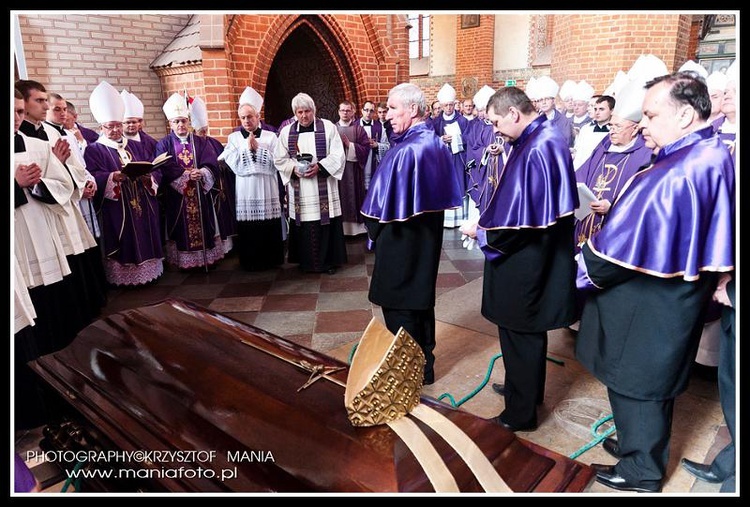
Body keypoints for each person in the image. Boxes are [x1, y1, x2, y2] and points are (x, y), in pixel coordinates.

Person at [577, 71, 734, 493]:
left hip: (650, 304)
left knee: (638, 385)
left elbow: (615, 254)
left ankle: (641, 470)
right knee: (649, 384)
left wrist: (577, 268)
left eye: (650, 114)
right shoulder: (710, 152)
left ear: (684, 114)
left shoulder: (678, 170)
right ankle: (636, 445)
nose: (642, 123)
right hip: (674, 298)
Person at [461, 86, 578, 432]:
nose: (494, 129)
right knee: (524, 335)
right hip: (535, 257)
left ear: (514, 113)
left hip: (527, 261)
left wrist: (482, 232)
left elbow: (522, 222)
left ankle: (519, 412)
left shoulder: (538, 146)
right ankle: (524, 389)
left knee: (520, 333)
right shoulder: (539, 138)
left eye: (496, 121)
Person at [361, 82, 462, 385]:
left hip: (401, 245)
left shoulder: (405, 152)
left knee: (400, 307)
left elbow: (377, 213)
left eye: (392, 108)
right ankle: (425, 368)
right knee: (420, 302)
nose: (387, 115)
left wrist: (374, 231)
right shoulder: (435, 144)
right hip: (427, 243)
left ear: (413, 109)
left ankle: (406, 374)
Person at [14, 87, 75, 429]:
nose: (16, 119)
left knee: (50, 313)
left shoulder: (40, 147)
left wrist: (36, 186)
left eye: (20, 112)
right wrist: (14, 184)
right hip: (16, 250)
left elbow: (62, 187)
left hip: (40, 238)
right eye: (13, 111)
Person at [84, 80, 165, 286]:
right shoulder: (95, 149)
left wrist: (150, 177)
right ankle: (124, 277)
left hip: (142, 201)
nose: (115, 130)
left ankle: (149, 273)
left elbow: (148, 165)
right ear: (101, 127)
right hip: (117, 206)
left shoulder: (133, 145)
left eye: (118, 125)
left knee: (146, 233)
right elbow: (92, 174)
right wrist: (112, 177)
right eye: (110, 127)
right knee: (124, 240)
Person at [274, 92, 347, 274]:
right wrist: (293, 169)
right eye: (300, 112)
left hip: (323, 186)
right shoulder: (286, 131)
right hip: (300, 188)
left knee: (325, 222)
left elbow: (338, 154)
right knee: (304, 224)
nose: (304, 116)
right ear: (295, 113)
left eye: (307, 111)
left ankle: (328, 262)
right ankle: (305, 263)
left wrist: (320, 167)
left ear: (313, 110)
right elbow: (279, 158)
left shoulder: (328, 127)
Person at [155, 92, 224, 270]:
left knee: (203, 223)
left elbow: (211, 162)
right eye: (176, 121)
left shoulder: (199, 142)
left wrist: (201, 172)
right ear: (170, 123)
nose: (180, 125)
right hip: (178, 197)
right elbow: (163, 165)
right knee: (180, 227)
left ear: (189, 121)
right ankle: (184, 261)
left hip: (200, 194)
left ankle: (204, 259)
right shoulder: (164, 144)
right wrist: (185, 176)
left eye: (183, 121)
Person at [219, 89, 284, 271]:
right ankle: (250, 261)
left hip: (267, 186)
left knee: (268, 223)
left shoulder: (271, 137)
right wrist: (246, 150)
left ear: (258, 116)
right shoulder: (233, 138)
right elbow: (228, 161)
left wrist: (260, 151)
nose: (247, 121)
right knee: (249, 227)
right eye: (243, 118)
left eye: (250, 117)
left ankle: (272, 260)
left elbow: (279, 162)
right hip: (245, 189)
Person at [191, 96, 237, 255]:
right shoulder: (192, 145)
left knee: (222, 218)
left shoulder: (214, 142)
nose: (204, 134)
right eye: (200, 131)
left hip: (220, 187)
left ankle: (227, 247)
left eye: (206, 130)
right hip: (204, 189)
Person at [432, 83, 470, 228]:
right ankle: (445, 219)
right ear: (441, 106)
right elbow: (429, 140)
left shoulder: (463, 121)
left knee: (458, 184)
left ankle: (459, 219)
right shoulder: (436, 122)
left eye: (451, 105)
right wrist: (440, 140)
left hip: (457, 159)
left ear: (454, 104)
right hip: (442, 160)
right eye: (446, 105)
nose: (448, 108)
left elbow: (469, 139)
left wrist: (457, 139)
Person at [335, 99, 370, 236]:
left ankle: (356, 230)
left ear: (353, 112)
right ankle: (340, 229)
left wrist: (350, 145)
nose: (345, 113)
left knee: (354, 195)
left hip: (354, 170)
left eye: (348, 110)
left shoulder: (358, 129)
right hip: (337, 171)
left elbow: (366, 148)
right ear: (338, 111)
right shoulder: (333, 128)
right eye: (342, 110)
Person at [572, 95, 614, 169]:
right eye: (595, 109)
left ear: (612, 110)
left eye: (601, 109)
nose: (597, 112)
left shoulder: (614, 130)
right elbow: (578, 153)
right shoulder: (586, 129)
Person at [536, 76, 574, 148]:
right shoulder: (536, 120)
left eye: (547, 99)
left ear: (553, 101)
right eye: (541, 100)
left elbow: (566, 142)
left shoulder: (563, 121)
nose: (543, 102)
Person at [121, 89, 158, 159]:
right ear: (121, 124)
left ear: (139, 123)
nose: (131, 125)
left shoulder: (150, 141)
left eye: (134, 122)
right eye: (128, 122)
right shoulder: (117, 142)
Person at [359, 100, 387, 190]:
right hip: (360, 164)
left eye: (371, 111)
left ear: (374, 113)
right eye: (366, 110)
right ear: (362, 111)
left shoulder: (380, 127)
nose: (368, 113)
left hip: (374, 162)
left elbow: (387, 145)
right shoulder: (355, 126)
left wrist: (377, 145)